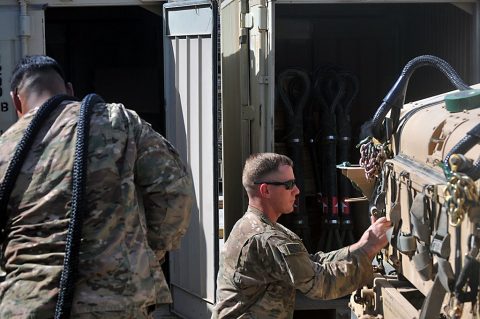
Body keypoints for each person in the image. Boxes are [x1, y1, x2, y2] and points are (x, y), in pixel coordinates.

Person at [0, 55, 194, 318]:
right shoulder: (119, 122)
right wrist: (141, 254)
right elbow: (173, 194)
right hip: (115, 302)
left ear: (15, 101)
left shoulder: (5, 150)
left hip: (24, 304)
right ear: (69, 90)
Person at [212, 152, 391, 319]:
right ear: (265, 190)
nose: (296, 190)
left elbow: (311, 263)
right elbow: (321, 283)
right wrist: (369, 250)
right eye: (288, 185)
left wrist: (362, 245)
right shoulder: (268, 239)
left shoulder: (254, 225)